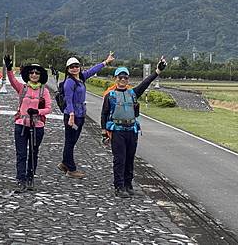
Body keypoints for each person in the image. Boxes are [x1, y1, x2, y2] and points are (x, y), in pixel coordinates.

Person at [101, 56, 167, 198]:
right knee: (120, 159)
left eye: (126, 77)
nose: (123, 80)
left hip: (132, 130)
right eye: (120, 77)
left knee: (130, 158)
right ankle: (119, 186)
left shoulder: (133, 93)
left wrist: (158, 71)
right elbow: (104, 114)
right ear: (115, 79)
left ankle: (128, 185)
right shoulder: (110, 95)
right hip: (117, 131)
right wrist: (104, 133)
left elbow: (146, 82)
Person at [58, 52, 115, 178]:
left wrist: (105, 62)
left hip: (80, 113)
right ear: (67, 69)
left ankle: (64, 163)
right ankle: (71, 169)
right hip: (73, 115)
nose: (74, 68)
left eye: (76, 66)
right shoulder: (69, 82)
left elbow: (92, 70)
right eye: (71, 66)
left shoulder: (81, 78)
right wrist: (72, 115)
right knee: (70, 141)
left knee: (72, 141)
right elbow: (68, 100)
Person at [4, 55, 52, 193]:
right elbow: (12, 81)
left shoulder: (45, 91)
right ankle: (21, 179)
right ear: (28, 74)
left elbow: (49, 108)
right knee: (21, 154)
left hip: (37, 126)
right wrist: (8, 69)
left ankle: (30, 177)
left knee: (33, 153)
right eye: (31, 72)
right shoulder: (22, 88)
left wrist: (37, 111)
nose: (34, 75)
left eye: (37, 73)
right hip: (21, 124)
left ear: (40, 75)